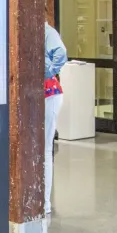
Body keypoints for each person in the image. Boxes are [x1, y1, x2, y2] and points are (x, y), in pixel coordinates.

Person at [44, 22, 66, 216]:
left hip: (49, 94)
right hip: (38, 93)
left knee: (45, 148)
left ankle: (45, 203)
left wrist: (47, 72)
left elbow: (61, 53)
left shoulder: (47, 32)